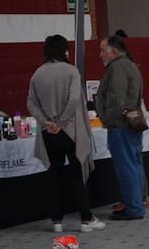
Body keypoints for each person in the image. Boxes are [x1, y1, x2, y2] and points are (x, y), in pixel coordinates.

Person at [27, 35, 104, 233]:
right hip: (70, 130)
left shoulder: (37, 74)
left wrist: (47, 122)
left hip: (47, 132)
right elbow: (74, 99)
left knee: (54, 175)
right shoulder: (71, 71)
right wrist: (60, 122)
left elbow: (31, 103)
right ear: (64, 51)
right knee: (78, 174)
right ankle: (86, 219)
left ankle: (57, 221)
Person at [96, 35, 146, 221]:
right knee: (134, 165)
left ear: (114, 52)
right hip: (131, 122)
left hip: (120, 125)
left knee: (127, 167)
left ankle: (133, 208)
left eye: (103, 50)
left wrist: (108, 120)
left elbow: (116, 99)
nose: (100, 55)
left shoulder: (117, 68)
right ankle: (135, 203)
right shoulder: (130, 65)